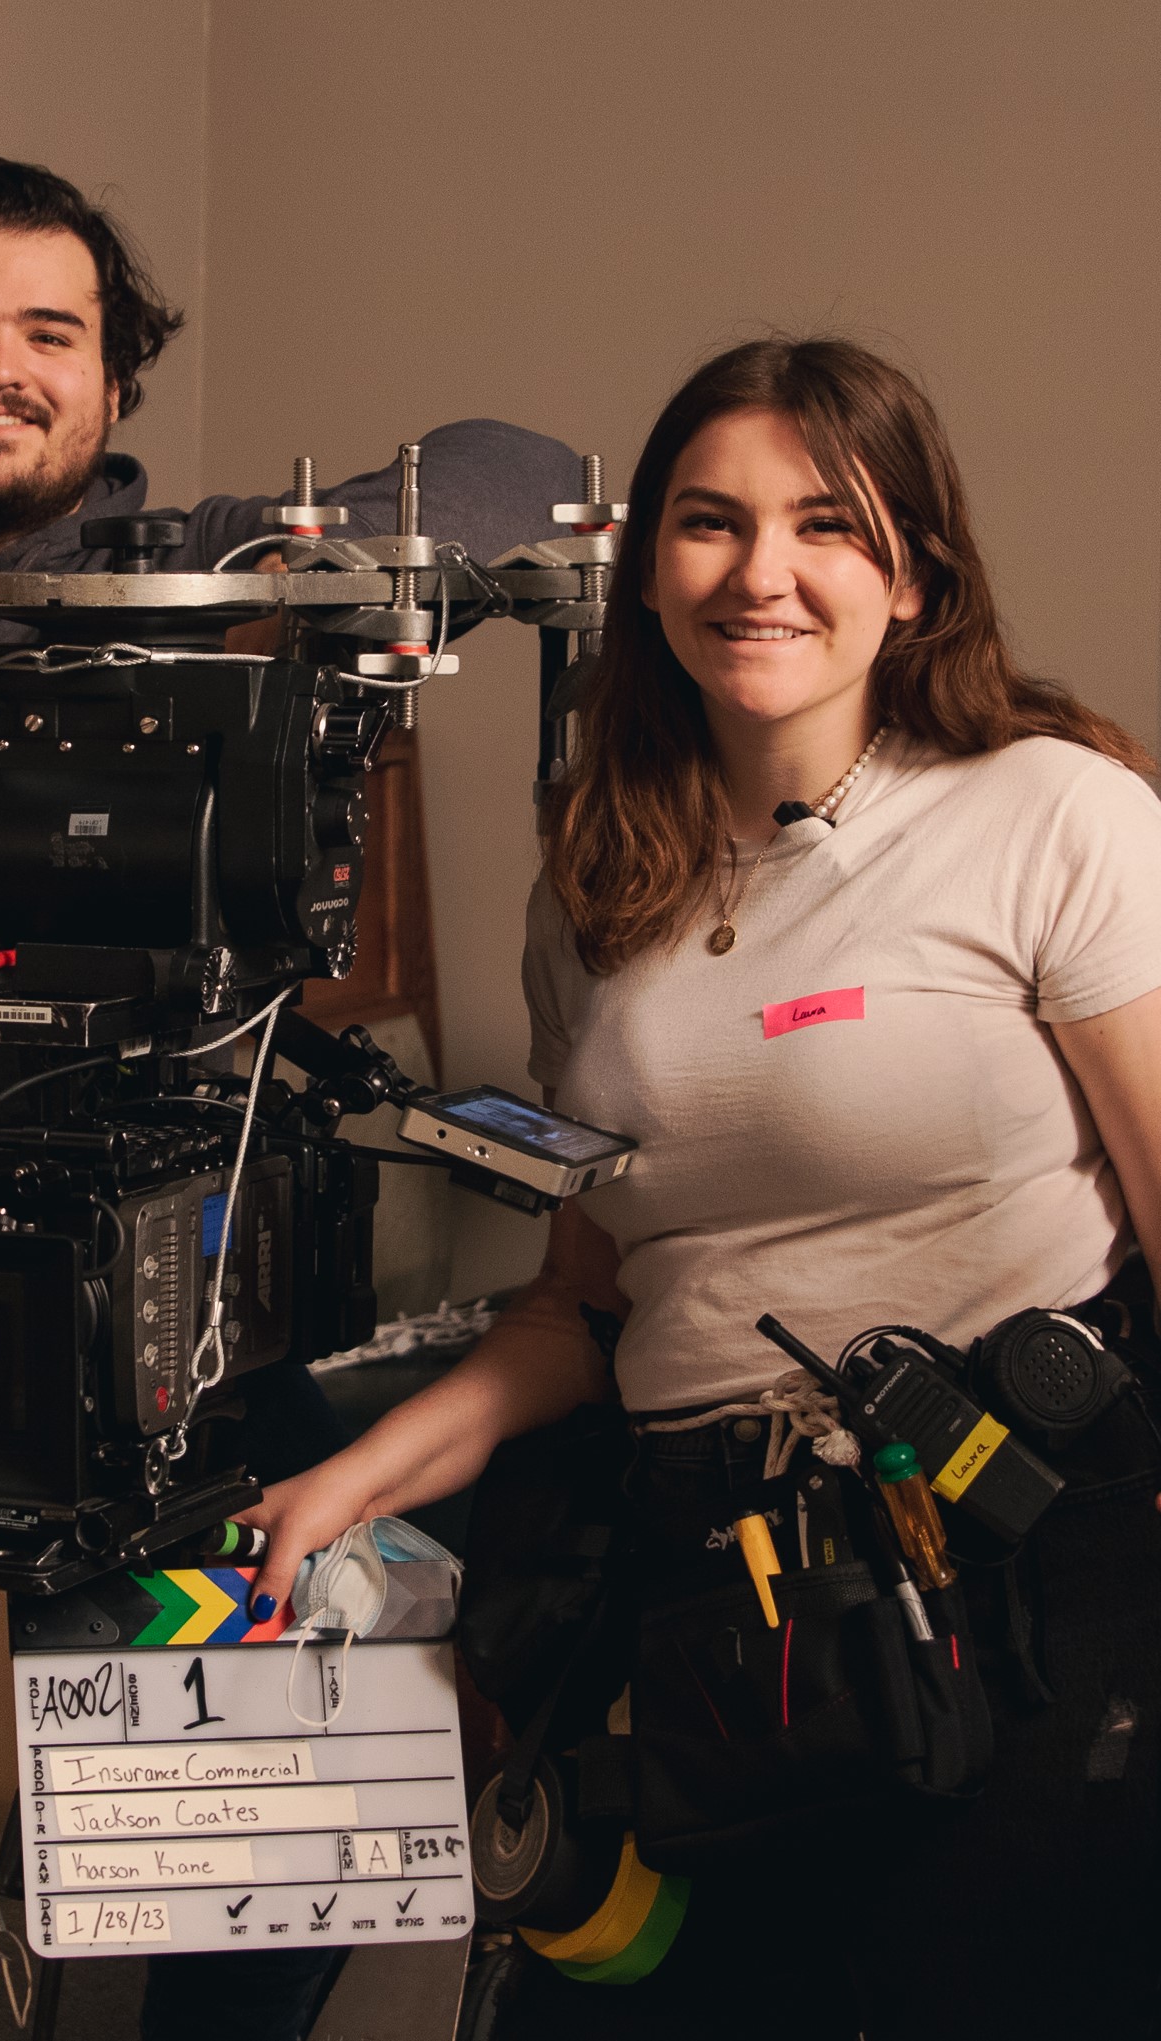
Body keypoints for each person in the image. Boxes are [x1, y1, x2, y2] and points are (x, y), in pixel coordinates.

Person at [0, 150, 587, 2041]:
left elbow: (529, 467)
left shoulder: (216, 566)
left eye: (51, 333)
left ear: (116, 379)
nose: (2, 369)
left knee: (230, 1852)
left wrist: (254, 598)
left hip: (189, 1292)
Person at [242, 336, 1161, 2036]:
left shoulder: (1055, 817)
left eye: (826, 524)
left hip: (1016, 1562)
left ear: (916, 574)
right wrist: (351, 1485)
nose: (762, 573)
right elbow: (587, 1304)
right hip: (718, 1592)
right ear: (647, 569)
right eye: (708, 521)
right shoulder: (598, 888)